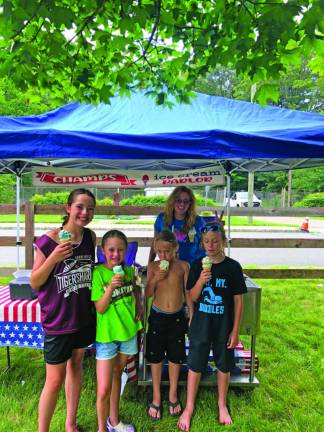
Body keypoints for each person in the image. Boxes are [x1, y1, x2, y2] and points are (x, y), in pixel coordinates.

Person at [30, 188, 97, 432]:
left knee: (76, 365)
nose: (84, 212)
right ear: (68, 208)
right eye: (80, 206)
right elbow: (35, 282)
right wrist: (53, 258)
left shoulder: (90, 237)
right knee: (54, 379)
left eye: (90, 208)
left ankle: (70, 423)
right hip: (58, 320)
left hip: (82, 316)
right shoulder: (48, 240)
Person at [178, 223, 247, 431]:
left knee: (223, 365)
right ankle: (189, 407)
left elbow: (238, 301)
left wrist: (235, 331)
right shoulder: (197, 265)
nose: (211, 245)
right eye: (206, 241)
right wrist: (200, 281)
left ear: (223, 242)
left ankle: (222, 404)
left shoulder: (233, 267)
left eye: (215, 241)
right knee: (195, 365)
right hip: (201, 324)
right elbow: (192, 296)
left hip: (224, 326)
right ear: (202, 243)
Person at [91, 229, 143, 432]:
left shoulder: (128, 270)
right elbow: (100, 308)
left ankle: (114, 421)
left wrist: (139, 304)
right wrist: (111, 288)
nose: (115, 254)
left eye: (120, 250)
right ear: (103, 251)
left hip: (127, 332)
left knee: (117, 376)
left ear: (126, 251)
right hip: (107, 337)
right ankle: (101, 429)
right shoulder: (98, 274)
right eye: (111, 250)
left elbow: (135, 288)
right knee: (103, 388)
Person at [145, 230, 191, 421]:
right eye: (160, 252)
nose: (164, 255)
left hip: (177, 318)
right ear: (156, 250)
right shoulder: (152, 267)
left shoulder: (183, 267)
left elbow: (187, 292)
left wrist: (192, 313)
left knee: (175, 357)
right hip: (158, 316)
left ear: (175, 249)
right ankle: (156, 395)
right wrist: (155, 279)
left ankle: (172, 393)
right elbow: (147, 293)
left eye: (167, 251)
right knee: (155, 358)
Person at [149, 186, 205, 264]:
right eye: (178, 200)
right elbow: (155, 243)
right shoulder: (162, 219)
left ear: (190, 203)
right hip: (170, 266)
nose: (182, 204)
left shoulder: (198, 221)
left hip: (193, 266)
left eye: (186, 201)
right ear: (172, 201)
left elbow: (206, 244)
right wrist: (150, 264)